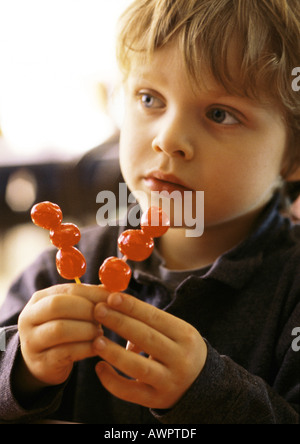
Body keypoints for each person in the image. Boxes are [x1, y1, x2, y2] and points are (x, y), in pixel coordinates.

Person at [0, 0, 299, 424]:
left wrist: (212, 392)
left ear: (293, 154)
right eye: (149, 98)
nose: (169, 138)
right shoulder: (55, 274)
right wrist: (23, 371)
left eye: (220, 114)